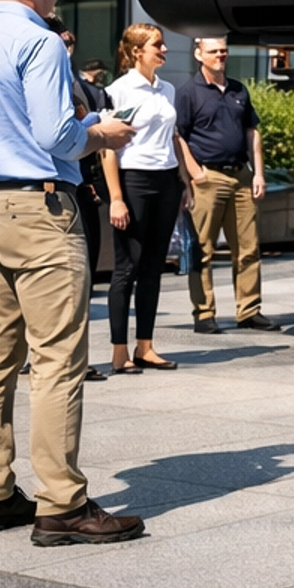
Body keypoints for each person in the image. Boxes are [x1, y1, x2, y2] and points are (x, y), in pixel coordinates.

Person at [0, 0, 145, 545]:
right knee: (57, 359)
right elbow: (56, 135)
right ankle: (61, 505)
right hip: (38, 211)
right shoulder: (39, 43)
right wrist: (102, 135)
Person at [174, 34, 278, 334]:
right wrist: (194, 175)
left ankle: (249, 311)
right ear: (198, 54)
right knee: (202, 249)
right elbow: (178, 136)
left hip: (241, 176)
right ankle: (204, 314)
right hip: (209, 177)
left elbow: (252, 132)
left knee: (248, 248)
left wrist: (258, 172)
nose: (220, 55)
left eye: (224, 51)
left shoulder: (238, 90)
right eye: (214, 51)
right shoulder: (188, 92)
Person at [101, 25, 188, 373]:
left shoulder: (166, 89)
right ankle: (119, 351)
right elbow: (108, 148)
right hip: (133, 180)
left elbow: (173, 139)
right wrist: (116, 198)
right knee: (127, 268)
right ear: (137, 51)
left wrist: (184, 183)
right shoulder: (119, 91)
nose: (164, 49)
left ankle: (145, 347)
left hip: (166, 180)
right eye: (157, 45)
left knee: (154, 268)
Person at [52, 18, 107, 382]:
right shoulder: (49, 80)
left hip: (82, 187)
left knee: (82, 277)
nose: (68, 47)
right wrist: (101, 127)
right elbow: (59, 135)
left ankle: (76, 355)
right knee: (64, 281)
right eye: (63, 40)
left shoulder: (84, 87)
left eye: (70, 41)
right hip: (55, 192)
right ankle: (60, 358)